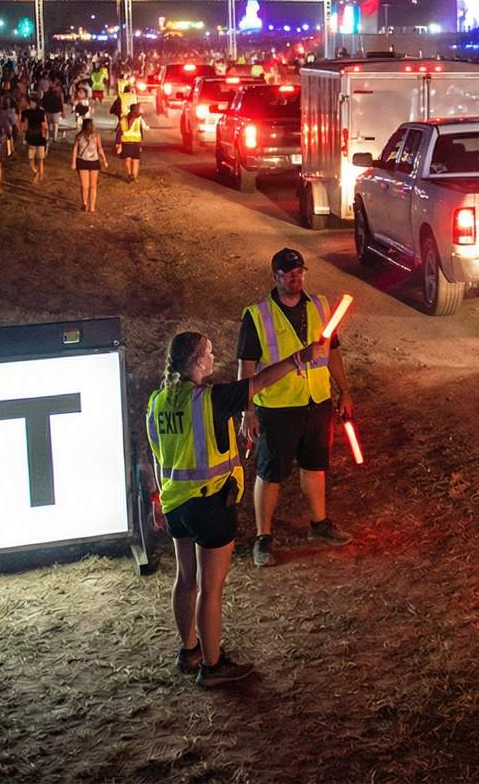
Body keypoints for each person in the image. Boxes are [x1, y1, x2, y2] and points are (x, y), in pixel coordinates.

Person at [146, 330, 321, 687]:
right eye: (209, 353)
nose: (215, 358)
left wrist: (155, 499)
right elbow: (258, 382)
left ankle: (189, 651)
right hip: (211, 504)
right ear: (196, 361)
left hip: (175, 504)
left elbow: (153, 453)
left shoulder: (157, 401)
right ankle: (212, 667)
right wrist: (297, 359)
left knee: (186, 579)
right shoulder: (210, 398)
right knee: (211, 589)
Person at [234, 248, 354, 568]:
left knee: (315, 466)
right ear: (275, 278)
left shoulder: (319, 306)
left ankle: (319, 524)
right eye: (288, 273)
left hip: (316, 401)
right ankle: (264, 537)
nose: (295, 277)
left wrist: (344, 392)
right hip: (277, 406)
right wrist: (247, 411)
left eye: (299, 271)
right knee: (270, 473)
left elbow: (334, 353)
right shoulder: (257, 315)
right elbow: (245, 369)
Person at [72, 118, 104, 212]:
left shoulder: (80, 136)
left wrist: (74, 162)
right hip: (92, 162)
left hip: (83, 162)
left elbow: (75, 150)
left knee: (85, 186)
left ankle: (86, 204)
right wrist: (104, 160)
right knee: (91, 186)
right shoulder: (94, 136)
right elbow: (100, 149)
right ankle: (90, 206)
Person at [21, 93, 49, 182]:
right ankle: (36, 171)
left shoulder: (40, 112)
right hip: (31, 137)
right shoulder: (27, 112)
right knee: (31, 158)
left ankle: (41, 174)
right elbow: (23, 124)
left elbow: (43, 126)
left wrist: (44, 137)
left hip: (39, 137)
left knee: (40, 158)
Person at [118, 101, 149, 182]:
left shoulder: (124, 118)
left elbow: (120, 130)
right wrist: (149, 128)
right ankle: (134, 177)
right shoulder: (139, 118)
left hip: (126, 141)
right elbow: (145, 127)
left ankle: (129, 174)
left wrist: (119, 144)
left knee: (127, 159)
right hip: (136, 142)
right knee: (135, 160)